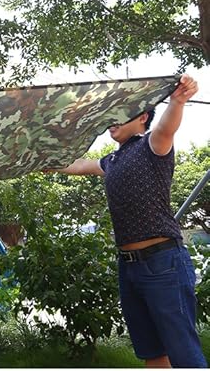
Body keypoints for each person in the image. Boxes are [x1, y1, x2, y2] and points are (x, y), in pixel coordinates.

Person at [51, 73, 206, 368]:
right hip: (129, 267)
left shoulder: (153, 146)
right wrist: (44, 163)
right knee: (153, 353)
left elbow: (167, 128)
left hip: (163, 263)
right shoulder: (112, 161)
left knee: (184, 355)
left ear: (143, 117)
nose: (113, 121)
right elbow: (80, 165)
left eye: (121, 114)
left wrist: (177, 101)